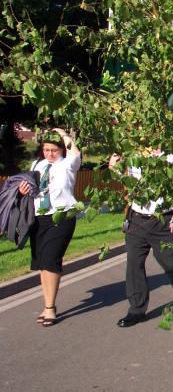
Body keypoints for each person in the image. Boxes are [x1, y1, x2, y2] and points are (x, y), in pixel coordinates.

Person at [17, 128, 81, 327]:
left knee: (51, 260)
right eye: (46, 150)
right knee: (41, 263)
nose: (50, 154)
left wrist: (62, 133)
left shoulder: (68, 164)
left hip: (61, 217)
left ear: (61, 150)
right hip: (38, 218)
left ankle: (50, 307)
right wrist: (23, 190)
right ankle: (46, 305)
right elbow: (30, 189)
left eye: (54, 150)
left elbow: (75, 152)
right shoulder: (37, 165)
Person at [109, 151, 173, 328]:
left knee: (169, 262)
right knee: (134, 263)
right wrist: (114, 168)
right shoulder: (134, 151)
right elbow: (125, 179)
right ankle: (136, 310)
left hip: (164, 220)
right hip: (137, 218)